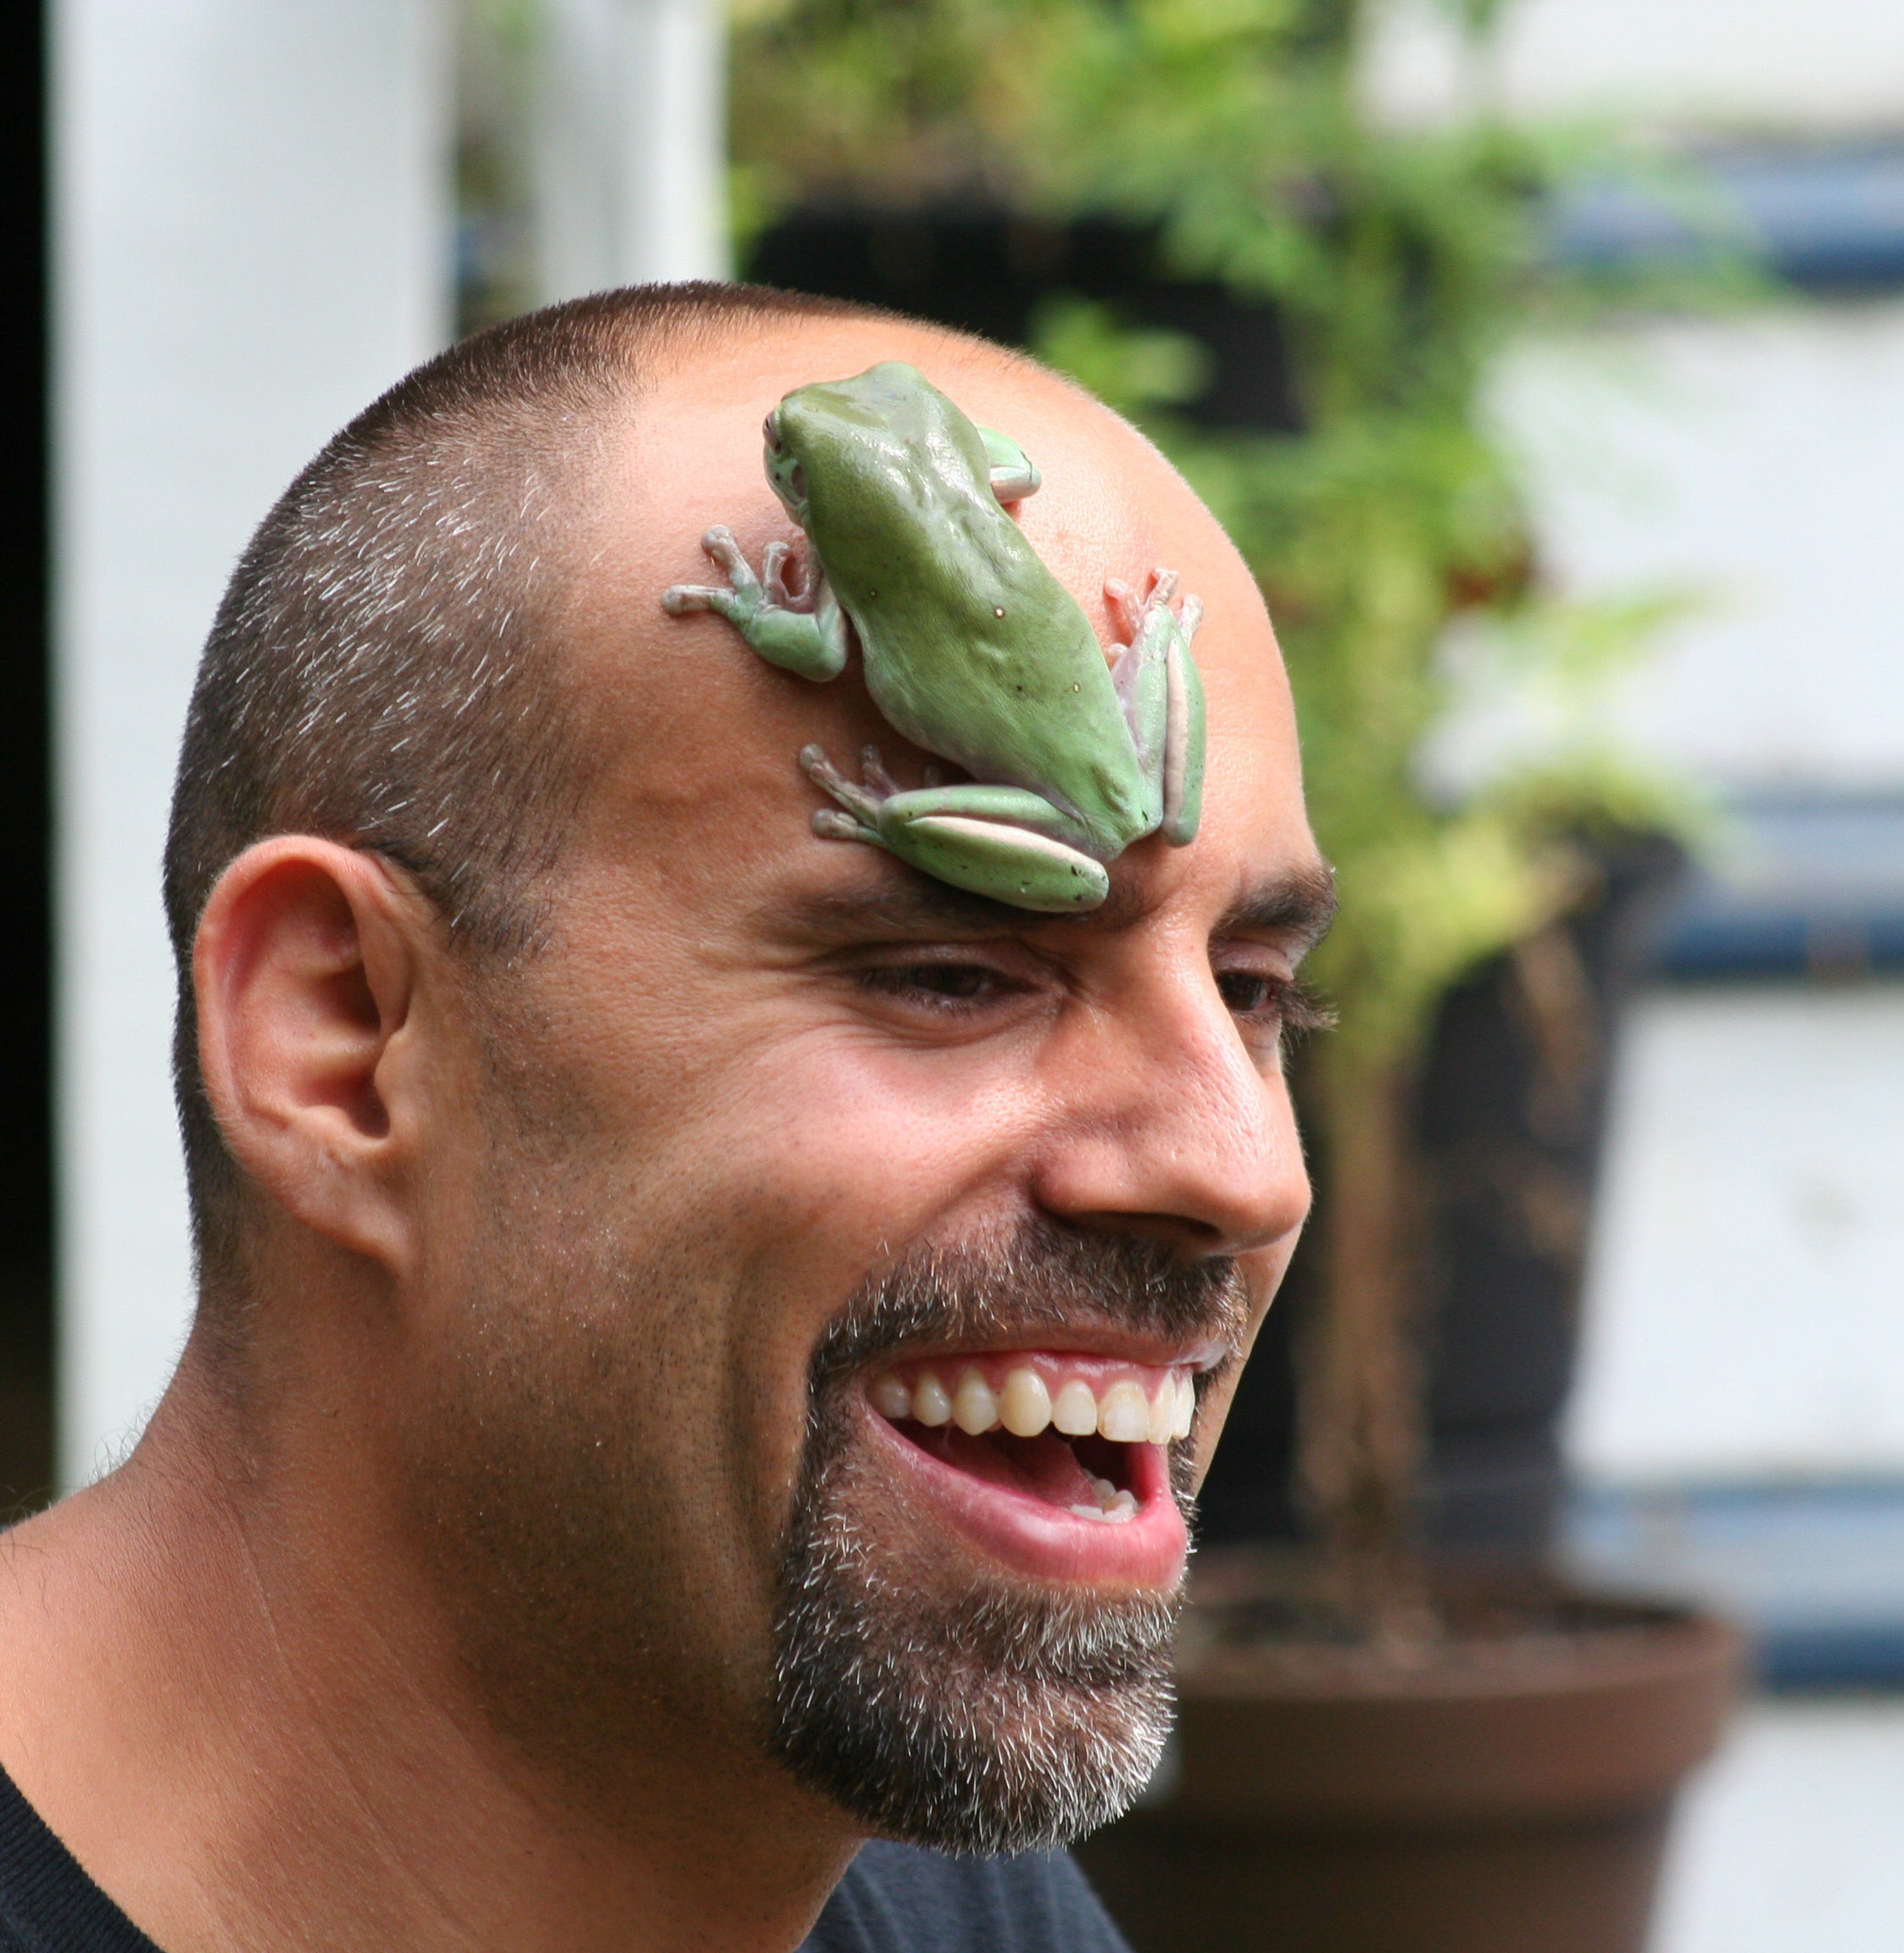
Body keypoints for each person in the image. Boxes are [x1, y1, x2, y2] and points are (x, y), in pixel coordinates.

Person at [0, 283, 1330, 1952]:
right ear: (345, 1044)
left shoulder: (955, 1905)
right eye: (946, 974)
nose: (1240, 1168)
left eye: (1258, 989)